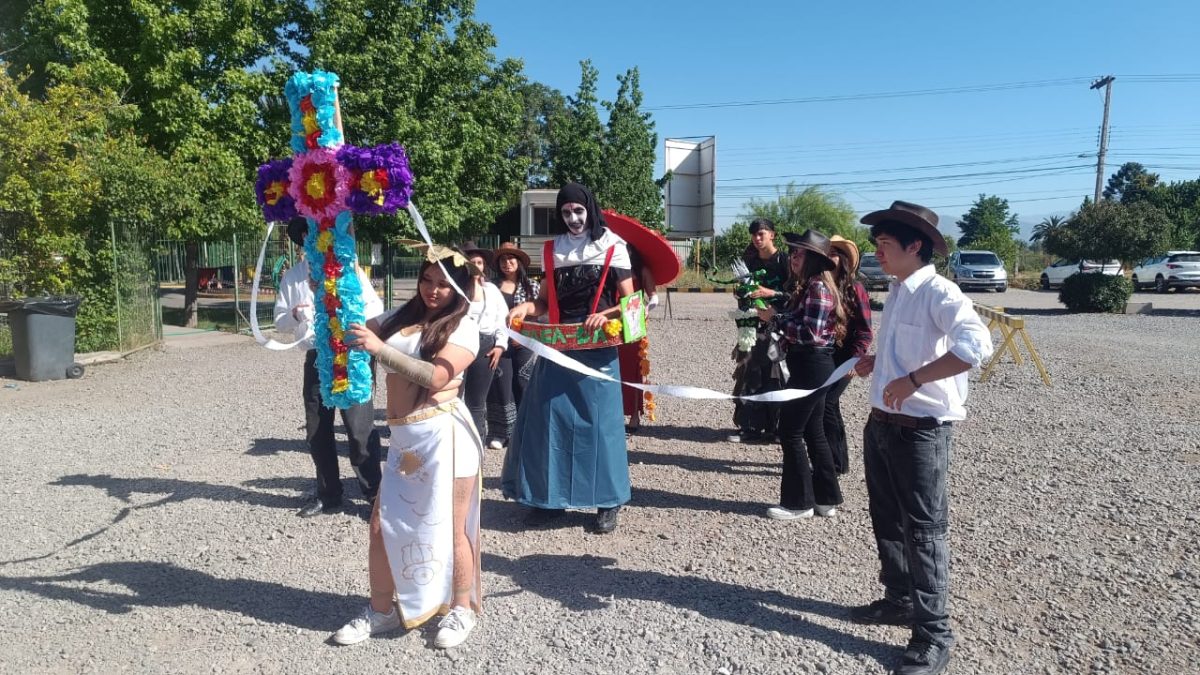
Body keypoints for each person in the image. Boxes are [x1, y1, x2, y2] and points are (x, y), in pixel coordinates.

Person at [849, 201, 993, 675]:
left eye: (885, 245)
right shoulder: (899, 290)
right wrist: (879, 365)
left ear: (916, 245)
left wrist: (912, 380)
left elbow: (976, 347)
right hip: (883, 425)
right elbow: (905, 349)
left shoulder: (940, 292)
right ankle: (898, 600)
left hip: (921, 433)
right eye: (877, 245)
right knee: (887, 518)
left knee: (926, 533)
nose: (878, 253)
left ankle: (934, 634)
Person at [335, 247, 483, 649]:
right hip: (404, 439)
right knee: (382, 527)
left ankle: (462, 608)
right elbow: (352, 327)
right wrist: (332, 279)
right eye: (427, 280)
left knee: (451, 528)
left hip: (445, 437)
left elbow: (436, 377)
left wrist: (379, 349)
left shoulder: (463, 326)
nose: (433, 291)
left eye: (443, 284)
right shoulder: (400, 318)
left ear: (458, 289)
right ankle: (382, 610)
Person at [502, 183, 636, 534]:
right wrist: (526, 307)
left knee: (600, 426)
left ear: (590, 209)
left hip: (599, 351)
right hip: (558, 348)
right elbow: (544, 304)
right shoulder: (553, 250)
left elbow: (633, 308)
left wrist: (609, 317)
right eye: (565, 212)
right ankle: (551, 499)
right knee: (553, 423)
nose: (573, 218)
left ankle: (608, 502)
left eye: (578, 210)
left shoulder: (613, 246)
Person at [274, 218, 383, 518]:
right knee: (318, 430)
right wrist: (295, 314)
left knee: (359, 429)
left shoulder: (350, 269)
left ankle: (375, 494)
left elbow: (376, 312)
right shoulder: (293, 278)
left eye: (321, 231)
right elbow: (279, 320)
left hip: (351, 358)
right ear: (304, 238)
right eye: (310, 232)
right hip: (315, 358)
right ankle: (328, 494)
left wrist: (348, 316)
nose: (316, 237)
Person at [758, 230, 846, 520]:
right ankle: (825, 498)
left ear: (812, 260)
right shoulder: (811, 286)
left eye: (798, 253)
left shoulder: (818, 288)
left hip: (812, 365)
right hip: (812, 365)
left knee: (791, 431)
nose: (793, 258)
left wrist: (776, 319)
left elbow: (809, 333)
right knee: (813, 430)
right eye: (793, 253)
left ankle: (799, 503)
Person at [729, 218, 790, 443]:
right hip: (751, 325)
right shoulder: (749, 261)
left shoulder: (785, 261)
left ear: (772, 234)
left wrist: (769, 295)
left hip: (779, 326)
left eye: (762, 233)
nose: (757, 238)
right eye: (754, 234)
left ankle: (777, 429)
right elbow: (744, 292)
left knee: (776, 375)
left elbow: (794, 293)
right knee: (749, 371)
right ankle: (750, 427)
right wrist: (741, 294)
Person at [823, 235, 874, 474]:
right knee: (820, 405)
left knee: (828, 403)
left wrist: (855, 359)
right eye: (825, 253)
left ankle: (837, 462)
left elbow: (864, 331)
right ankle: (826, 457)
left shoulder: (855, 289)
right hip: (822, 356)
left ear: (843, 259)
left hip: (845, 357)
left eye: (833, 253)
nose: (828, 257)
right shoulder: (817, 286)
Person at [486, 242, 539, 449]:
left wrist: (523, 334)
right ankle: (501, 432)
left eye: (511, 259)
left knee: (523, 383)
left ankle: (526, 430)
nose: (507, 263)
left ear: (519, 262)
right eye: (503, 260)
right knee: (501, 385)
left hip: (524, 342)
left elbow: (539, 315)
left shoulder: (531, 286)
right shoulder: (491, 287)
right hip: (499, 342)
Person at [461, 246, 508, 446]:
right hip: (459, 344)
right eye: (472, 262)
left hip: (485, 346)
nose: (476, 266)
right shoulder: (456, 288)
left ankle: (476, 447)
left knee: (476, 403)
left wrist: (500, 346)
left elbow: (502, 320)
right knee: (452, 398)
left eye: (479, 262)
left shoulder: (491, 290)